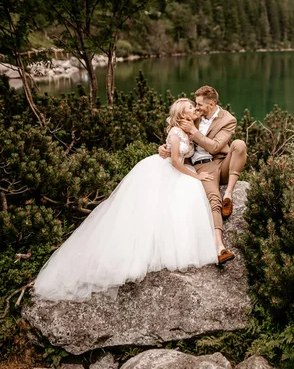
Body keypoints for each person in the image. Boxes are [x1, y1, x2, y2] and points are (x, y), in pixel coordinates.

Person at [34, 98, 218, 302]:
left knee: (177, 201)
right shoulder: (175, 133)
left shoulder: (191, 127)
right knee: (159, 206)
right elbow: (175, 160)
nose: (195, 109)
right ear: (182, 115)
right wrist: (196, 176)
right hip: (163, 169)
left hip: (175, 167)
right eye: (190, 108)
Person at [159, 86, 247, 265]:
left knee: (239, 144)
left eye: (199, 104)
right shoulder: (193, 115)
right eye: (195, 104)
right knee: (213, 199)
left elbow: (215, 146)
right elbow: (175, 135)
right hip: (202, 166)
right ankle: (220, 247)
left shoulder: (228, 119)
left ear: (212, 104)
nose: (196, 107)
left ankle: (228, 193)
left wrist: (194, 131)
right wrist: (163, 148)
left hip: (221, 160)